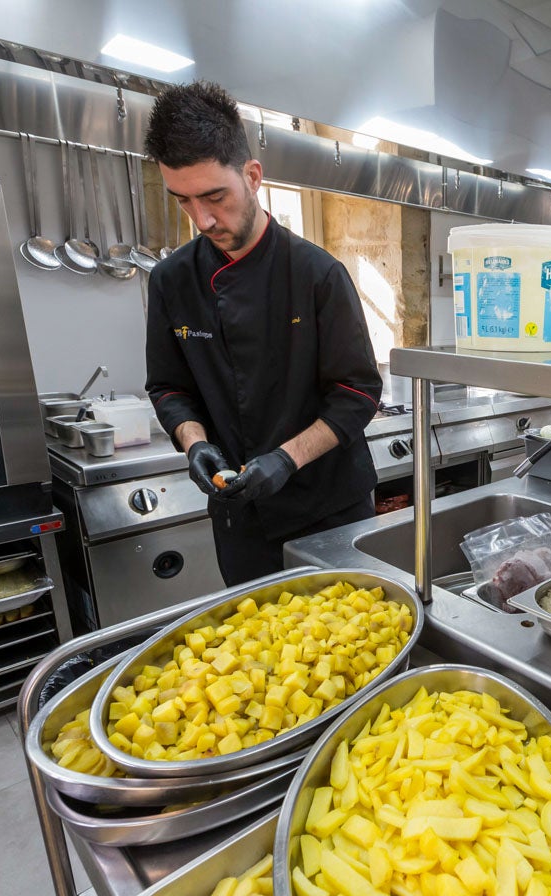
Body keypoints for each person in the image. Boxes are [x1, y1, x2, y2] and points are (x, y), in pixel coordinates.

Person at [143, 81, 382, 585]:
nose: (202, 219)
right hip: (240, 518)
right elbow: (169, 388)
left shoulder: (318, 274)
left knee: (349, 648)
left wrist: (284, 460)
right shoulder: (171, 280)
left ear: (252, 176)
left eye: (214, 197)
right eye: (183, 201)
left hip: (329, 511)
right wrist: (194, 443)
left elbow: (357, 394)